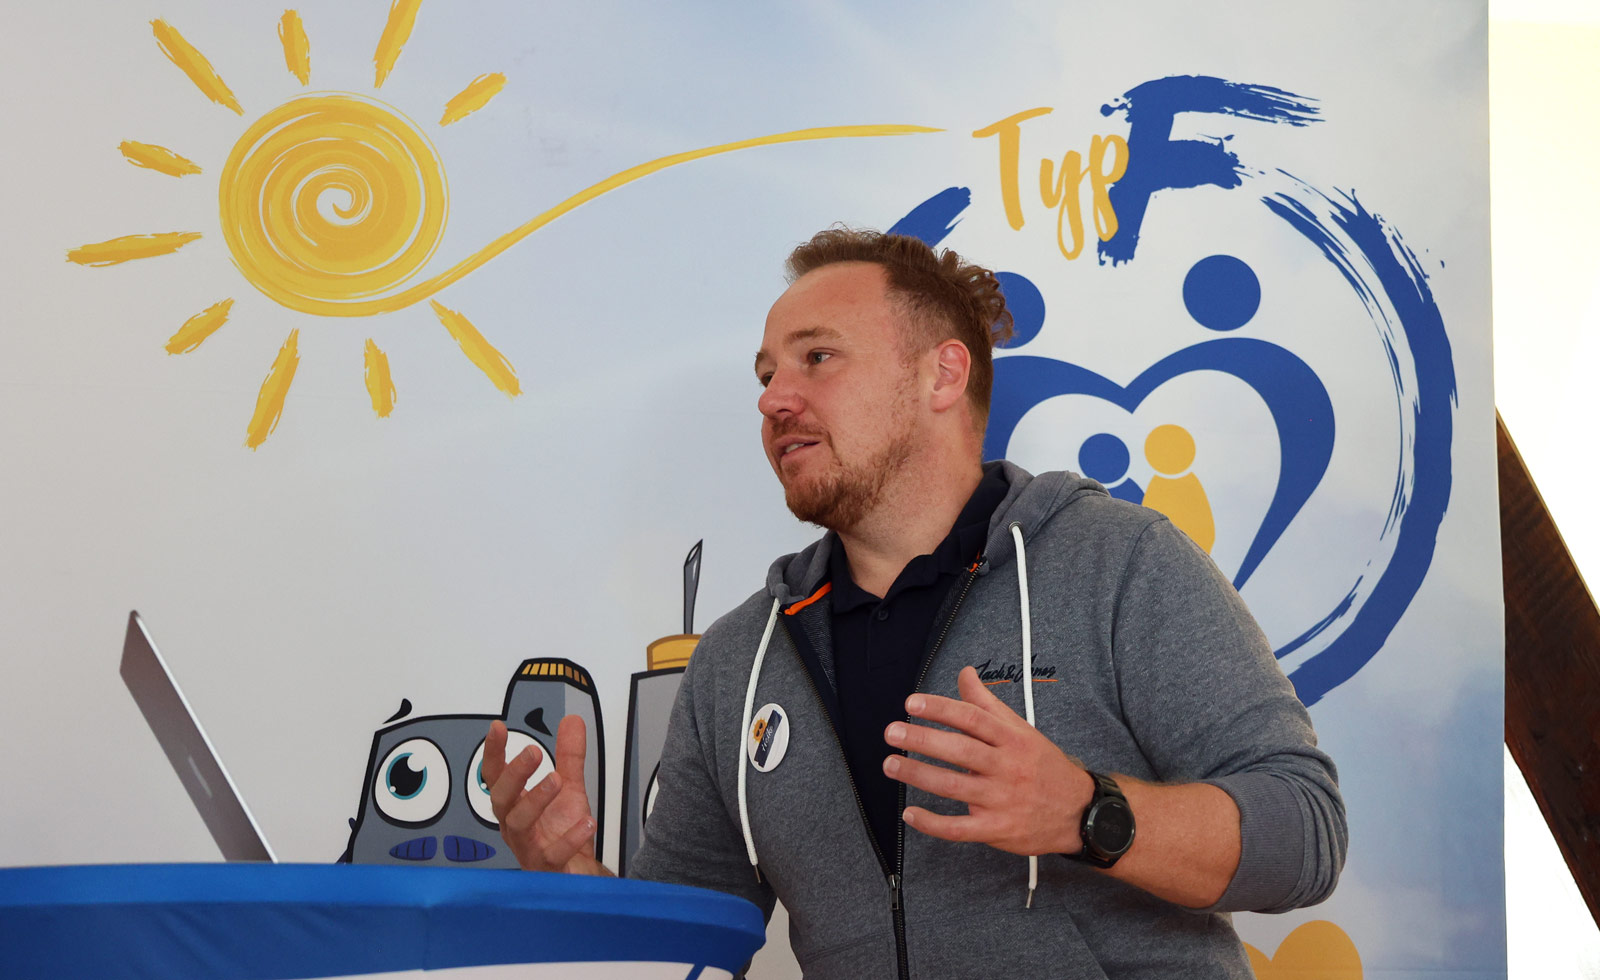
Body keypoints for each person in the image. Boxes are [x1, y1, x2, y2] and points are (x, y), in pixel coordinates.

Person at [482, 228, 1347, 978]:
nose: (774, 398)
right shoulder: (738, 662)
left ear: (942, 374)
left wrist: (1088, 812)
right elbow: (683, 950)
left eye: (817, 358)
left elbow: (1305, 832)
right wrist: (575, 886)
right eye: (767, 374)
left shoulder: (1118, 562)